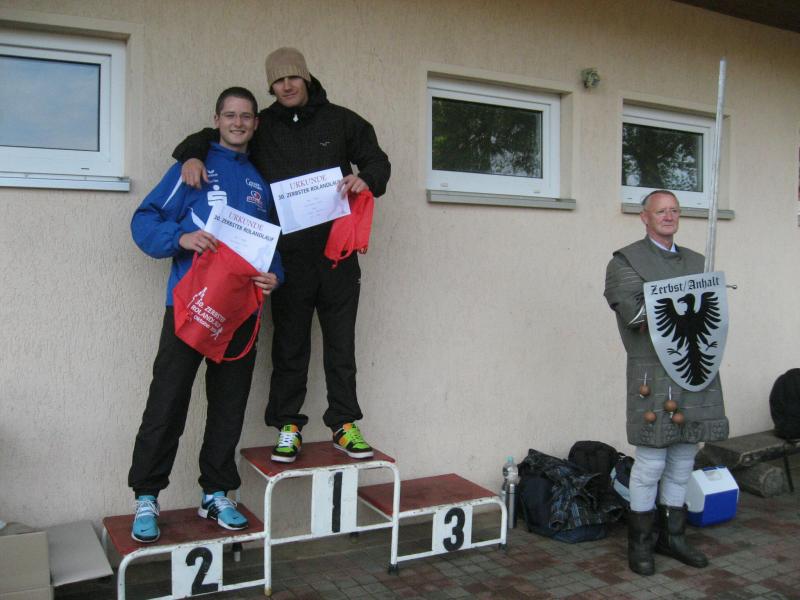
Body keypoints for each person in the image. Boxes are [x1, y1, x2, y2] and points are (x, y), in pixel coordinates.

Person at [173, 47, 391, 464]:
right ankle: (288, 425)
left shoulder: (342, 121)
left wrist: (365, 179)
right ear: (270, 86)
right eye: (278, 80)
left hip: (337, 256)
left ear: (306, 78)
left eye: (293, 77)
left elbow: (378, 162)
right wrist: (192, 154)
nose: (287, 85)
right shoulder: (263, 125)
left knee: (341, 344)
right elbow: (211, 135)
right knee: (289, 346)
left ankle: (344, 423)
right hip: (287, 258)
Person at [128, 87, 284, 543]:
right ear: (216, 119)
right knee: (167, 401)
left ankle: (215, 493)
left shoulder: (260, 181)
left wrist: (275, 275)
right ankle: (146, 497)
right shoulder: (192, 167)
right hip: (190, 308)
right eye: (230, 115)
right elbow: (144, 220)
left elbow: (270, 244)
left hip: (240, 315)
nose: (238, 122)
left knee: (229, 406)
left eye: (246, 116)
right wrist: (180, 238)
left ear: (255, 123)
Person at [604, 190, 728, 575]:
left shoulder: (698, 261)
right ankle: (640, 543)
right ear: (645, 217)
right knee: (651, 462)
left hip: (696, 369)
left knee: (684, 457)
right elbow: (635, 315)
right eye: (661, 211)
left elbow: (713, 315)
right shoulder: (625, 262)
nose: (668, 216)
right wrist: (683, 293)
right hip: (652, 373)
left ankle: (672, 538)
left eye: (674, 210)